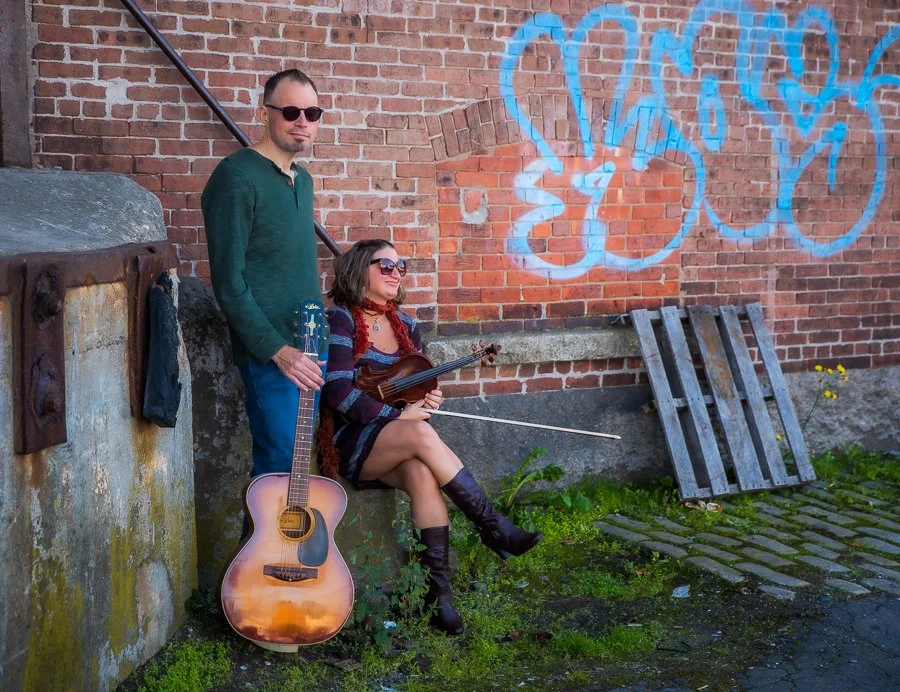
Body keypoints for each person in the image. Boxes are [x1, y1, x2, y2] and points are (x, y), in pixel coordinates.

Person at [317, 239, 542, 635]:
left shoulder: (408, 327)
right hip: (353, 439)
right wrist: (397, 414)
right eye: (384, 264)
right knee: (419, 434)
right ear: (357, 270)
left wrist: (428, 397)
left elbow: (414, 394)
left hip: (398, 437)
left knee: (422, 476)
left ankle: (437, 599)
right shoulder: (342, 321)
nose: (395, 272)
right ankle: (493, 527)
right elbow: (337, 390)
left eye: (399, 265)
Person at [201, 68, 327, 486]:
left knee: (293, 473)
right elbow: (229, 282)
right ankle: (255, 555)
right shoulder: (236, 178)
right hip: (272, 355)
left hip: (311, 348)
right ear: (265, 113)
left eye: (313, 112)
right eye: (291, 111)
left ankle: (269, 554)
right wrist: (278, 350)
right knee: (278, 471)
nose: (302, 121)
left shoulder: (302, 180)